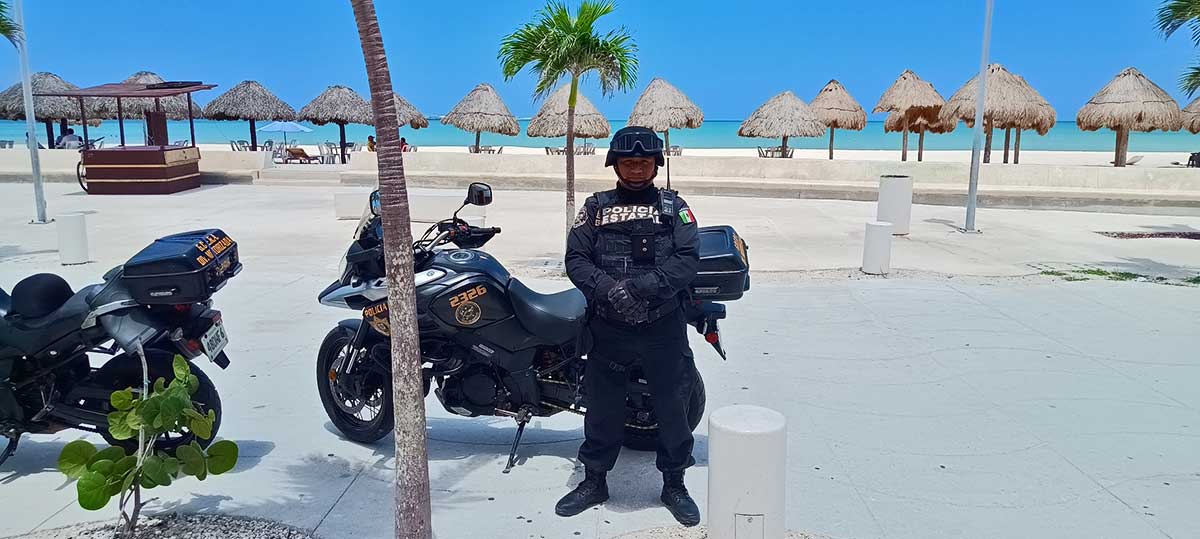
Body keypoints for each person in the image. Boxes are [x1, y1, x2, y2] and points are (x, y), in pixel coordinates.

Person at [559, 126, 702, 526]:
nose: (636, 169)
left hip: (662, 326)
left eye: (643, 162)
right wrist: (606, 289)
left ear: (656, 164)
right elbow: (576, 258)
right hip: (610, 327)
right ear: (615, 164)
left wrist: (642, 288)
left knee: (673, 406)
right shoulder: (595, 207)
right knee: (602, 408)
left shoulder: (676, 208)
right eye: (628, 162)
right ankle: (594, 480)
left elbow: (688, 258)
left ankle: (674, 484)